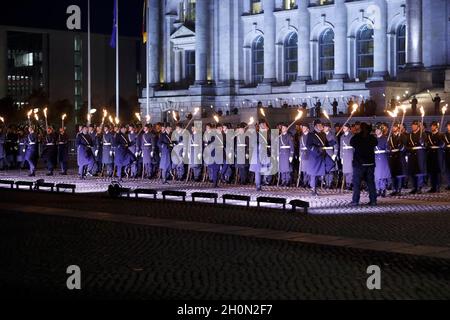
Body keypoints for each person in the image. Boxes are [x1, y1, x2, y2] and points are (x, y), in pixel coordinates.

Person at [349, 122, 378, 206]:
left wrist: (356, 133)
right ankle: (373, 200)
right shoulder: (372, 138)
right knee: (371, 183)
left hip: (359, 164)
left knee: (357, 183)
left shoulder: (357, 137)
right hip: (370, 164)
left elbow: (351, 143)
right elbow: (376, 143)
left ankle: (355, 200)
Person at [306, 120, 335, 196]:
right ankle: (313, 189)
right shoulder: (311, 135)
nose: (321, 126)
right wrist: (317, 149)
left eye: (322, 125)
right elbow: (308, 146)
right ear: (316, 126)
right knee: (314, 174)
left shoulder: (323, 134)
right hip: (314, 156)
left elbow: (325, 144)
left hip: (322, 155)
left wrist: (332, 142)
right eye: (320, 125)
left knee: (331, 163)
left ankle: (322, 173)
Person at [407, 120, 427, 194]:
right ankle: (414, 187)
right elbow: (407, 145)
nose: (413, 126)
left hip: (420, 154)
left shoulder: (423, 134)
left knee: (419, 170)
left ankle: (419, 187)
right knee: (413, 171)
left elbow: (426, 145)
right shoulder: (410, 135)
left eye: (415, 125)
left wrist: (423, 143)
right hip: (412, 154)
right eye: (412, 125)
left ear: (418, 126)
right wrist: (409, 149)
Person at [387, 122, 408, 196]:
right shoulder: (390, 137)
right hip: (392, 157)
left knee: (399, 173)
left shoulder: (403, 136)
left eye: (395, 127)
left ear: (398, 128)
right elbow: (388, 145)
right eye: (393, 127)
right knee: (393, 173)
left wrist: (401, 147)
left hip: (399, 156)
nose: (393, 128)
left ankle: (399, 189)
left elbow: (405, 147)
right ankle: (394, 189)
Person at [426, 121, 444, 193]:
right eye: (431, 126)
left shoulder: (441, 135)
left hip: (437, 154)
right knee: (431, 171)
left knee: (437, 172)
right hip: (431, 155)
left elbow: (443, 144)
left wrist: (441, 143)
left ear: (436, 127)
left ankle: (438, 187)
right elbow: (427, 144)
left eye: (433, 126)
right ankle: (433, 187)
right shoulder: (429, 136)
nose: (432, 127)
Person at [374, 124, 391, 197]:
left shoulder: (385, 139)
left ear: (381, 131)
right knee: (376, 175)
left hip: (382, 157)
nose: (377, 131)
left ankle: (383, 189)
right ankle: (378, 189)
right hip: (375, 157)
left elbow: (388, 149)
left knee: (382, 175)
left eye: (378, 130)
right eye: (376, 130)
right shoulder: (373, 139)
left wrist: (387, 149)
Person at [323, 123, 338, 189]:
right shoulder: (322, 135)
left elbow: (336, 145)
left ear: (329, 128)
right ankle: (326, 183)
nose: (324, 128)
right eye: (324, 127)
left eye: (326, 127)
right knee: (326, 169)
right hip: (324, 154)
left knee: (331, 169)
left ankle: (330, 183)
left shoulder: (332, 135)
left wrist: (335, 154)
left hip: (330, 153)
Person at [340, 123, 354, 190]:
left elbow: (354, 147)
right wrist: (341, 157)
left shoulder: (352, 136)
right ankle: (346, 183)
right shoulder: (342, 136)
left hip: (350, 154)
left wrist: (353, 156)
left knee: (350, 170)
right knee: (345, 170)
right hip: (344, 155)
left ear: (348, 128)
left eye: (345, 127)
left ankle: (350, 183)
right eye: (343, 128)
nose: (343, 129)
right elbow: (341, 147)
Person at [444, 121, 450, 190]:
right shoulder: (445, 135)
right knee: (447, 169)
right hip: (447, 153)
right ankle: (449, 184)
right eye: (448, 126)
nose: (448, 127)